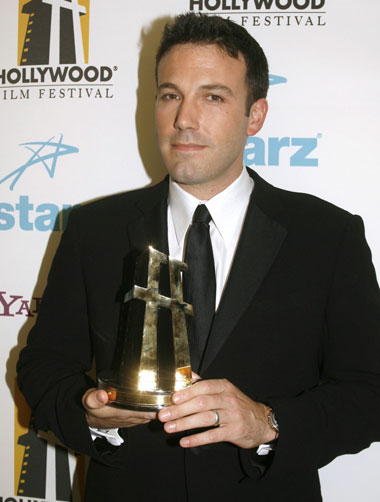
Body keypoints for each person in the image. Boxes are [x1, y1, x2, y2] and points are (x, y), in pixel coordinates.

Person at [17, 12, 380, 502]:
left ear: (255, 115)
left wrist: (267, 423)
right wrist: (86, 410)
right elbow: (42, 365)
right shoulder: (93, 231)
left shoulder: (327, 236)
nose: (184, 118)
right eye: (170, 95)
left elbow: (369, 391)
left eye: (213, 96)